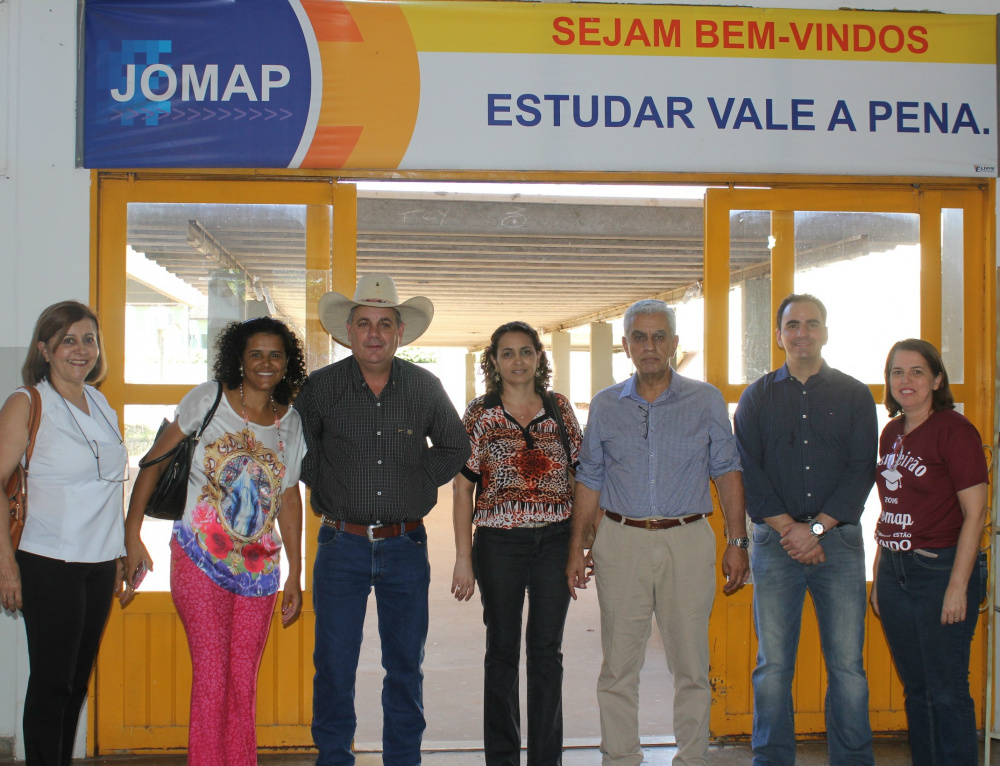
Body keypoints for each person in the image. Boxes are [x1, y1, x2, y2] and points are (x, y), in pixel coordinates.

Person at [566, 299, 749, 766]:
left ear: (674, 344)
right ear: (626, 345)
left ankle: (691, 758)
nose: (650, 346)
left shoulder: (705, 400)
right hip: (620, 542)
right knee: (619, 666)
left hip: (686, 540)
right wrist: (577, 547)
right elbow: (590, 476)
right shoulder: (607, 405)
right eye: (640, 337)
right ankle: (621, 758)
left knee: (689, 664)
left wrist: (737, 540)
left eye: (659, 336)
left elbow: (727, 470)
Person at [299, 273, 470, 766]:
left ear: (399, 333)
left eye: (385, 324)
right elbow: (298, 450)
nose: (374, 333)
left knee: (404, 666)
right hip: (340, 546)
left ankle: (403, 760)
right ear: (348, 332)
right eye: (365, 324)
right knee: (333, 664)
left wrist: (419, 485)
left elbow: (456, 446)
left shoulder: (423, 386)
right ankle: (333, 758)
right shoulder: (321, 388)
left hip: (405, 548)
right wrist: (327, 485)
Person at [122, 316, 308, 766]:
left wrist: (296, 572)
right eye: (256, 354)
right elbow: (154, 464)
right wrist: (132, 534)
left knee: (243, 679)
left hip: (261, 570)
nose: (266, 363)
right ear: (239, 360)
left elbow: (287, 499)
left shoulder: (291, 422)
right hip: (198, 557)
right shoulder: (209, 399)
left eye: (275, 354)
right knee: (211, 674)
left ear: (288, 363)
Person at [733, 293, 877, 766]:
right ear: (779, 336)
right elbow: (749, 472)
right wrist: (791, 530)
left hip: (839, 543)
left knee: (848, 669)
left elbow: (861, 470)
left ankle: (853, 761)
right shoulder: (756, 397)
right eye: (793, 325)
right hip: (775, 547)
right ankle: (771, 760)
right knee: (773, 667)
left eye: (812, 324)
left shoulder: (855, 395)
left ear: (826, 333)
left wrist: (814, 528)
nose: (802, 333)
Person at [0, 300, 127, 766]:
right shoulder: (27, 402)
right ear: (45, 348)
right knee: (52, 684)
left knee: (76, 683)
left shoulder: (99, 401)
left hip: (96, 564)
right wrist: (6, 565)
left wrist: (117, 557)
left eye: (88, 339)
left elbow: (108, 486)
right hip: (47, 561)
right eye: (68, 340)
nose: (81, 350)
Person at [452, 321, 582, 766]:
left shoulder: (560, 409)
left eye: (526, 351)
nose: (518, 361)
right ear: (494, 362)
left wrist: (581, 545)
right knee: (503, 651)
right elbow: (462, 489)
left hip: (554, 542)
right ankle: (502, 759)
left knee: (547, 652)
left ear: (539, 358)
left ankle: (547, 759)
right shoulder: (480, 414)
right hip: (498, 546)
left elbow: (580, 478)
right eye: (507, 353)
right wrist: (463, 559)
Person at [870, 339, 987, 766]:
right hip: (896, 573)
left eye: (917, 371)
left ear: (937, 379)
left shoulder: (955, 431)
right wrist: (881, 571)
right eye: (897, 372)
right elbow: (892, 508)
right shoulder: (891, 433)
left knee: (947, 691)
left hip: (941, 571)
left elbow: (976, 514)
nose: (906, 381)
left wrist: (958, 587)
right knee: (917, 691)